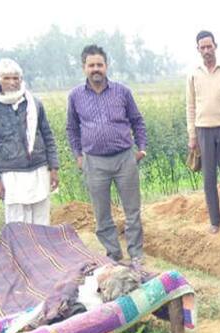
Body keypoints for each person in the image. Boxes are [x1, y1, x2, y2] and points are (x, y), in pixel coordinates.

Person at [66, 45, 148, 264]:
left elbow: (137, 121)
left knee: (132, 212)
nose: (96, 69)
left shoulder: (122, 92)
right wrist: (78, 156)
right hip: (94, 162)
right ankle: (113, 255)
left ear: (106, 66)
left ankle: (136, 255)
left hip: (124, 158)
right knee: (102, 215)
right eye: (91, 65)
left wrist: (141, 148)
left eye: (99, 65)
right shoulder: (75, 96)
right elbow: (72, 129)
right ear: (84, 67)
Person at [0, 58, 60, 225]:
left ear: (21, 79)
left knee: (41, 221)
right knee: (18, 223)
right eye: (6, 78)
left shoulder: (33, 103)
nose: (12, 82)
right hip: (10, 174)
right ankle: (22, 252)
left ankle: (41, 252)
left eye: (16, 78)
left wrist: (54, 168)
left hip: (38, 169)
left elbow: (47, 136)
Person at [186, 31, 220, 236]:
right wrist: (192, 135)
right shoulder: (193, 74)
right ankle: (214, 220)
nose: (207, 50)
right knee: (208, 177)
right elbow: (190, 106)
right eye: (203, 47)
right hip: (203, 130)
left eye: (210, 46)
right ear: (198, 49)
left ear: (215, 46)